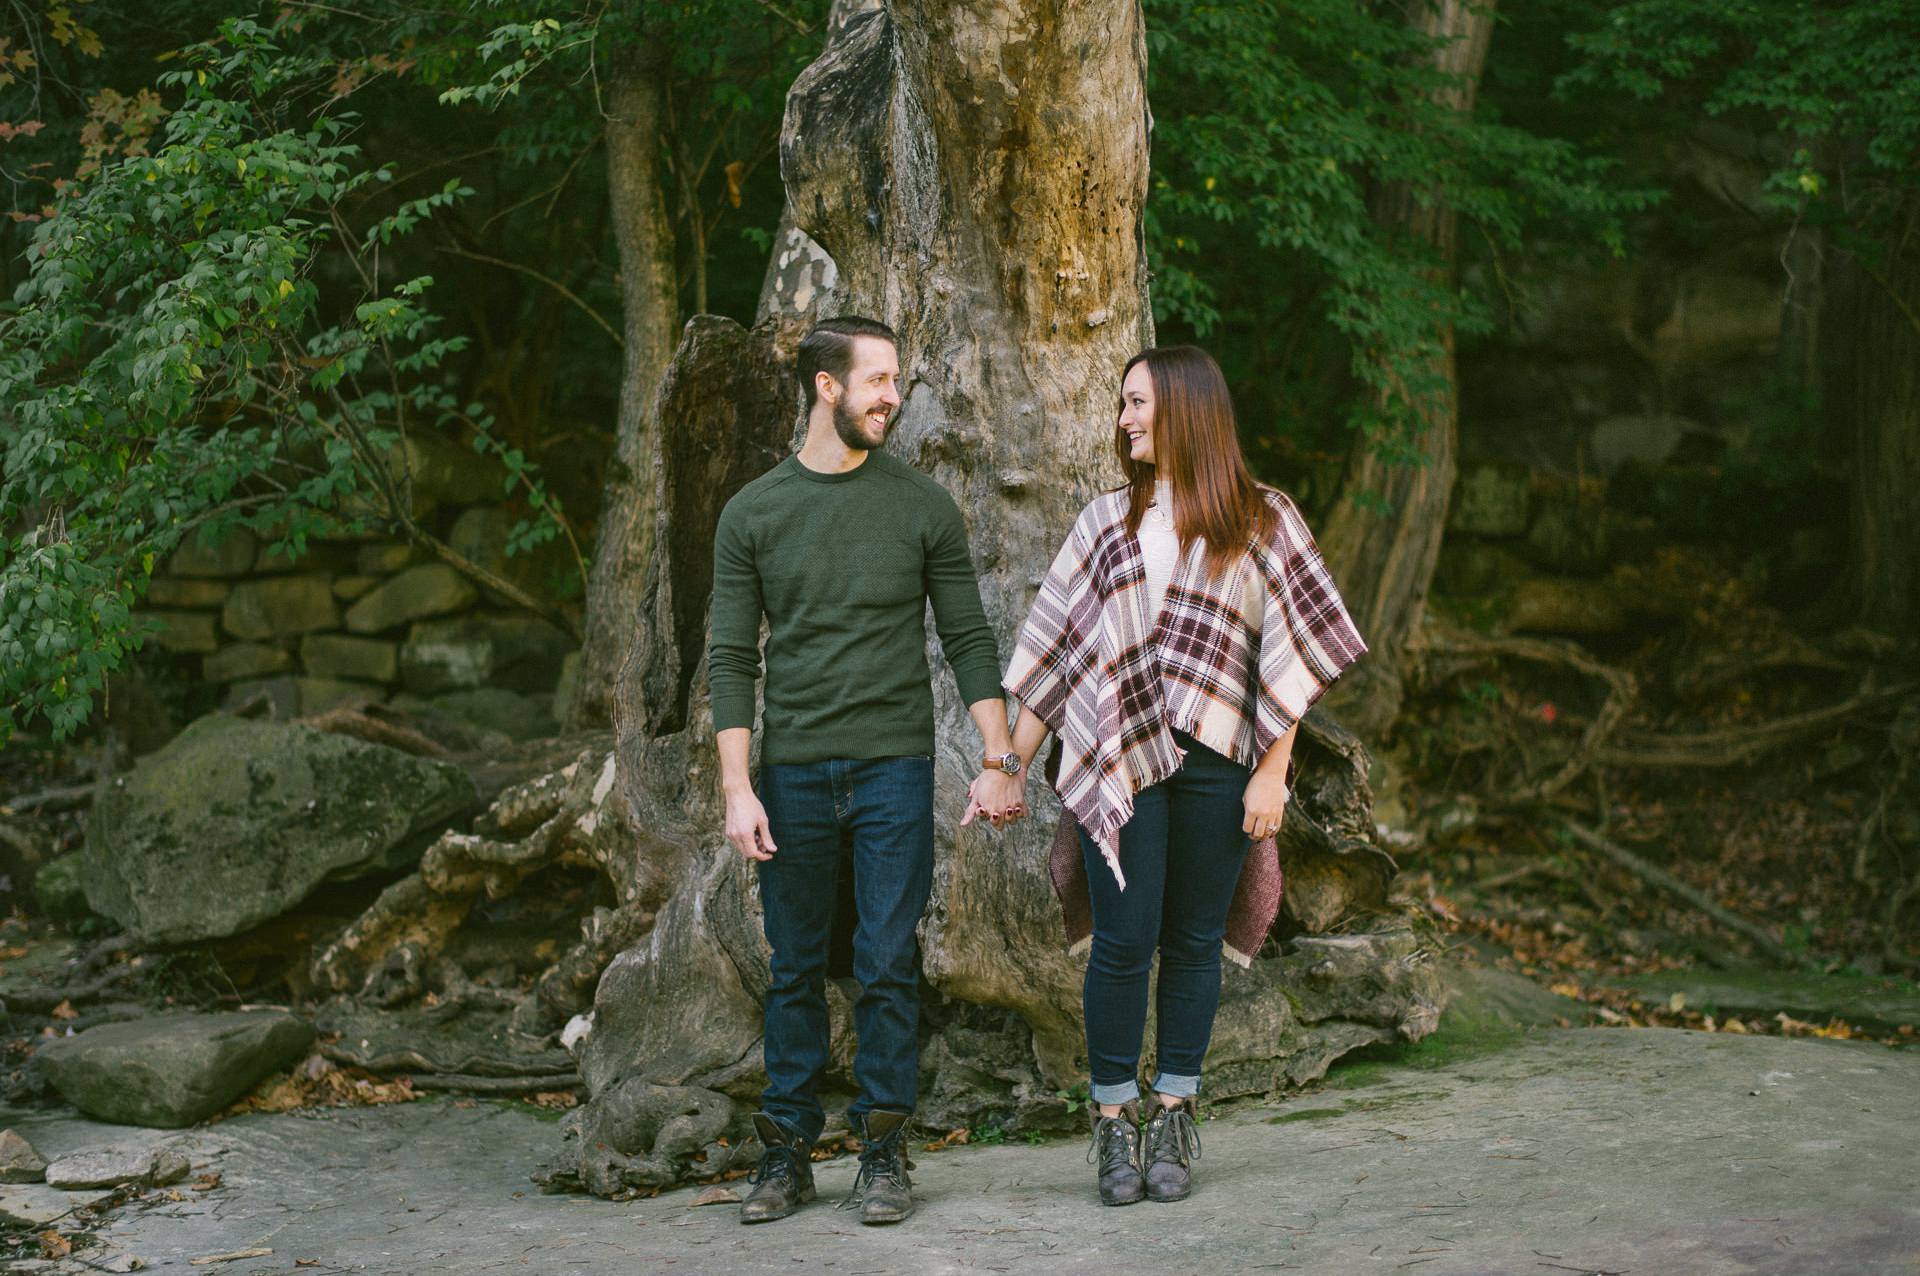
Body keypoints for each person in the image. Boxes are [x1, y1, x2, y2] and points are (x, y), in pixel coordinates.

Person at [970, 345, 1366, 1206]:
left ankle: (1176, 1108)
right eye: (1123, 404)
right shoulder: (1104, 523)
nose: (1125, 419)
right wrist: (1008, 769)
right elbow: (1056, 659)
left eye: (1138, 403)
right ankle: (1113, 1124)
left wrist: (1274, 776)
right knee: (1122, 942)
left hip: (1221, 765)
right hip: (1122, 761)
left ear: (1187, 408)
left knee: (1192, 942)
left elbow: (1289, 663)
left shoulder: (1264, 521)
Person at [708, 316, 1025, 1226]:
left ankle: (883, 1152)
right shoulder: (753, 512)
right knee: (794, 966)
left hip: (894, 764)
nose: (894, 395)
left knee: (888, 960)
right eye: (878, 379)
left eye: (897, 379)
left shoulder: (920, 504)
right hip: (793, 770)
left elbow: (968, 639)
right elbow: (733, 658)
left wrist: (1000, 760)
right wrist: (738, 787)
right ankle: (787, 1154)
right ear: (825, 386)